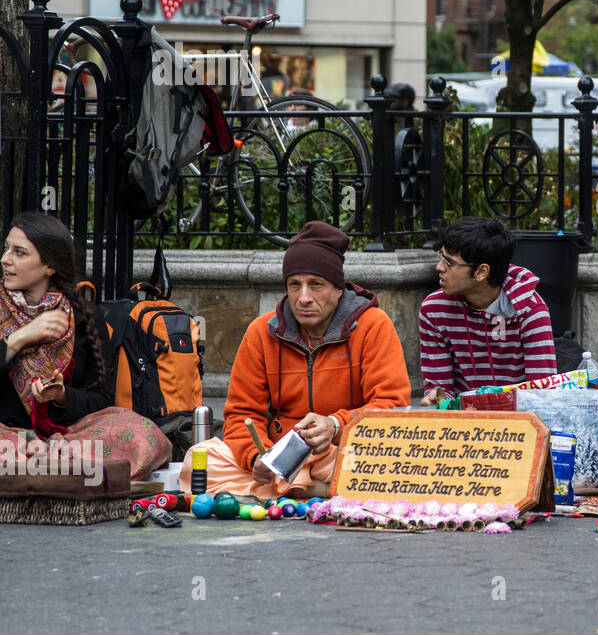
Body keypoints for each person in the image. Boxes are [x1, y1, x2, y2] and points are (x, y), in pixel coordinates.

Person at [185, 221, 410, 498]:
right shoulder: (261, 331)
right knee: (199, 459)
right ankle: (321, 490)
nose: (303, 297)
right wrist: (258, 457)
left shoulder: (373, 325)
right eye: (295, 285)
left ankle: (296, 490)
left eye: (316, 285)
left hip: (344, 451)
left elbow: (391, 407)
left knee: (396, 462)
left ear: (339, 289)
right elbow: (242, 415)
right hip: (280, 458)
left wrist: (336, 425)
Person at [0, 213, 169, 480]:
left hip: (67, 436)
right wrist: (20, 338)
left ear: (49, 266)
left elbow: (102, 398)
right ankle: (59, 476)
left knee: (141, 433)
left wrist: (62, 396)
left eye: (19, 252)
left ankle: (38, 473)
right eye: (6, 248)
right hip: (5, 433)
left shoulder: (83, 316)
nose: (5, 259)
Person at [418, 217, 557, 401]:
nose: (439, 267)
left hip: (520, 420)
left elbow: (543, 395)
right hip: (462, 421)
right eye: (441, 256)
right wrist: (437, 397)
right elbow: (439, 389)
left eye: (449, 263)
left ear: (481, 272)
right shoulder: (434, 310)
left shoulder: (531, 311)